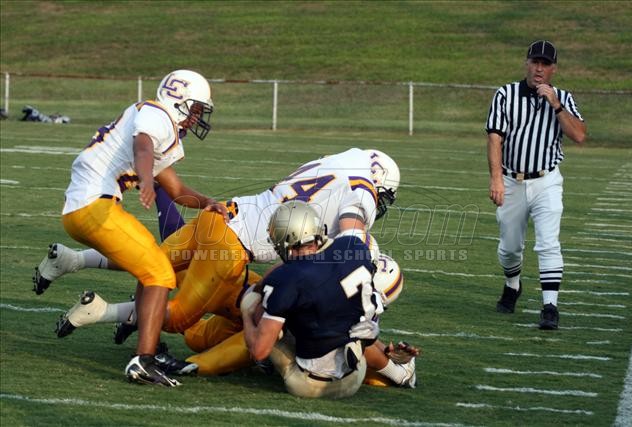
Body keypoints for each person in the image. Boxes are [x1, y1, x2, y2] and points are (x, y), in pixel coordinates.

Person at [43, 148, 401, 370]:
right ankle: (103, 312)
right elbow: (345, 243)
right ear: (379, 182)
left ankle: (74, 260)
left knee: (150, 260)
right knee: (178, 317)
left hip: (223, 214)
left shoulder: (341, 162)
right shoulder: (362, 191)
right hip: (233, 245)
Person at [33, 69, 227, 386]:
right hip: (95, 206)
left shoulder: (159, 125)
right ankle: (144, 360)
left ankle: (151, 349)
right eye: (194, 108)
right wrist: (146, 179)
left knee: (151, 266)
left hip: (86, 209)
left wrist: (207, 202)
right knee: (160, 274)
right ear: (178, 101)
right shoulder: (157, 115)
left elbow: (176, 189)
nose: (196, 117)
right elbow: (143, 148)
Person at [486, 40, 586, 330]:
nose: (539, 68)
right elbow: (494, 138)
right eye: (535, 62)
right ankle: (513, 285)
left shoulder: (563, 97)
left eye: (545, 64)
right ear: (527, 63)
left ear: (554, 69)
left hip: (547, 180)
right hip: (511, 180)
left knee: (548, 243)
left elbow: (579, 135)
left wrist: (556, 105)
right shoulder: (505, 94)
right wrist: (496, 178)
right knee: (509, 248)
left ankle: (550, 306)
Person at [242, 201, 381, 398]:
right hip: (356, 374)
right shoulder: (354, 246)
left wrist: (246, 312)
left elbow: (259, 350)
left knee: (258, 310)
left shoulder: (287, 279)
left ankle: (267, 366)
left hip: (310, 385)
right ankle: (395, 370)